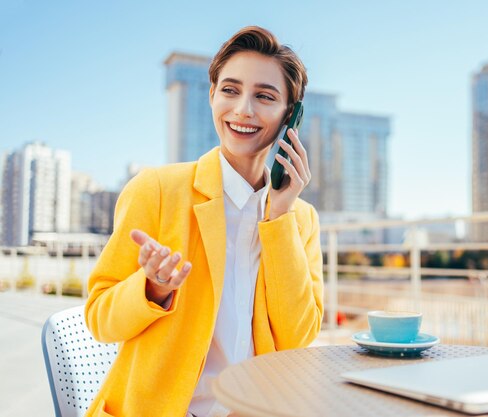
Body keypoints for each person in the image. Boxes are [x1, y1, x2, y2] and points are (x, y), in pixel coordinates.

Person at [84, 26, 324, 417]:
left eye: (265, 96)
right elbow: (99, 319)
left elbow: (297, 337)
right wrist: (152, 288)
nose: (244, 109)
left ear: (290, 116)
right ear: (212, 95)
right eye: (230, 90)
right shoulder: (157, 189)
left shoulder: (301, 219)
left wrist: (278, 217)